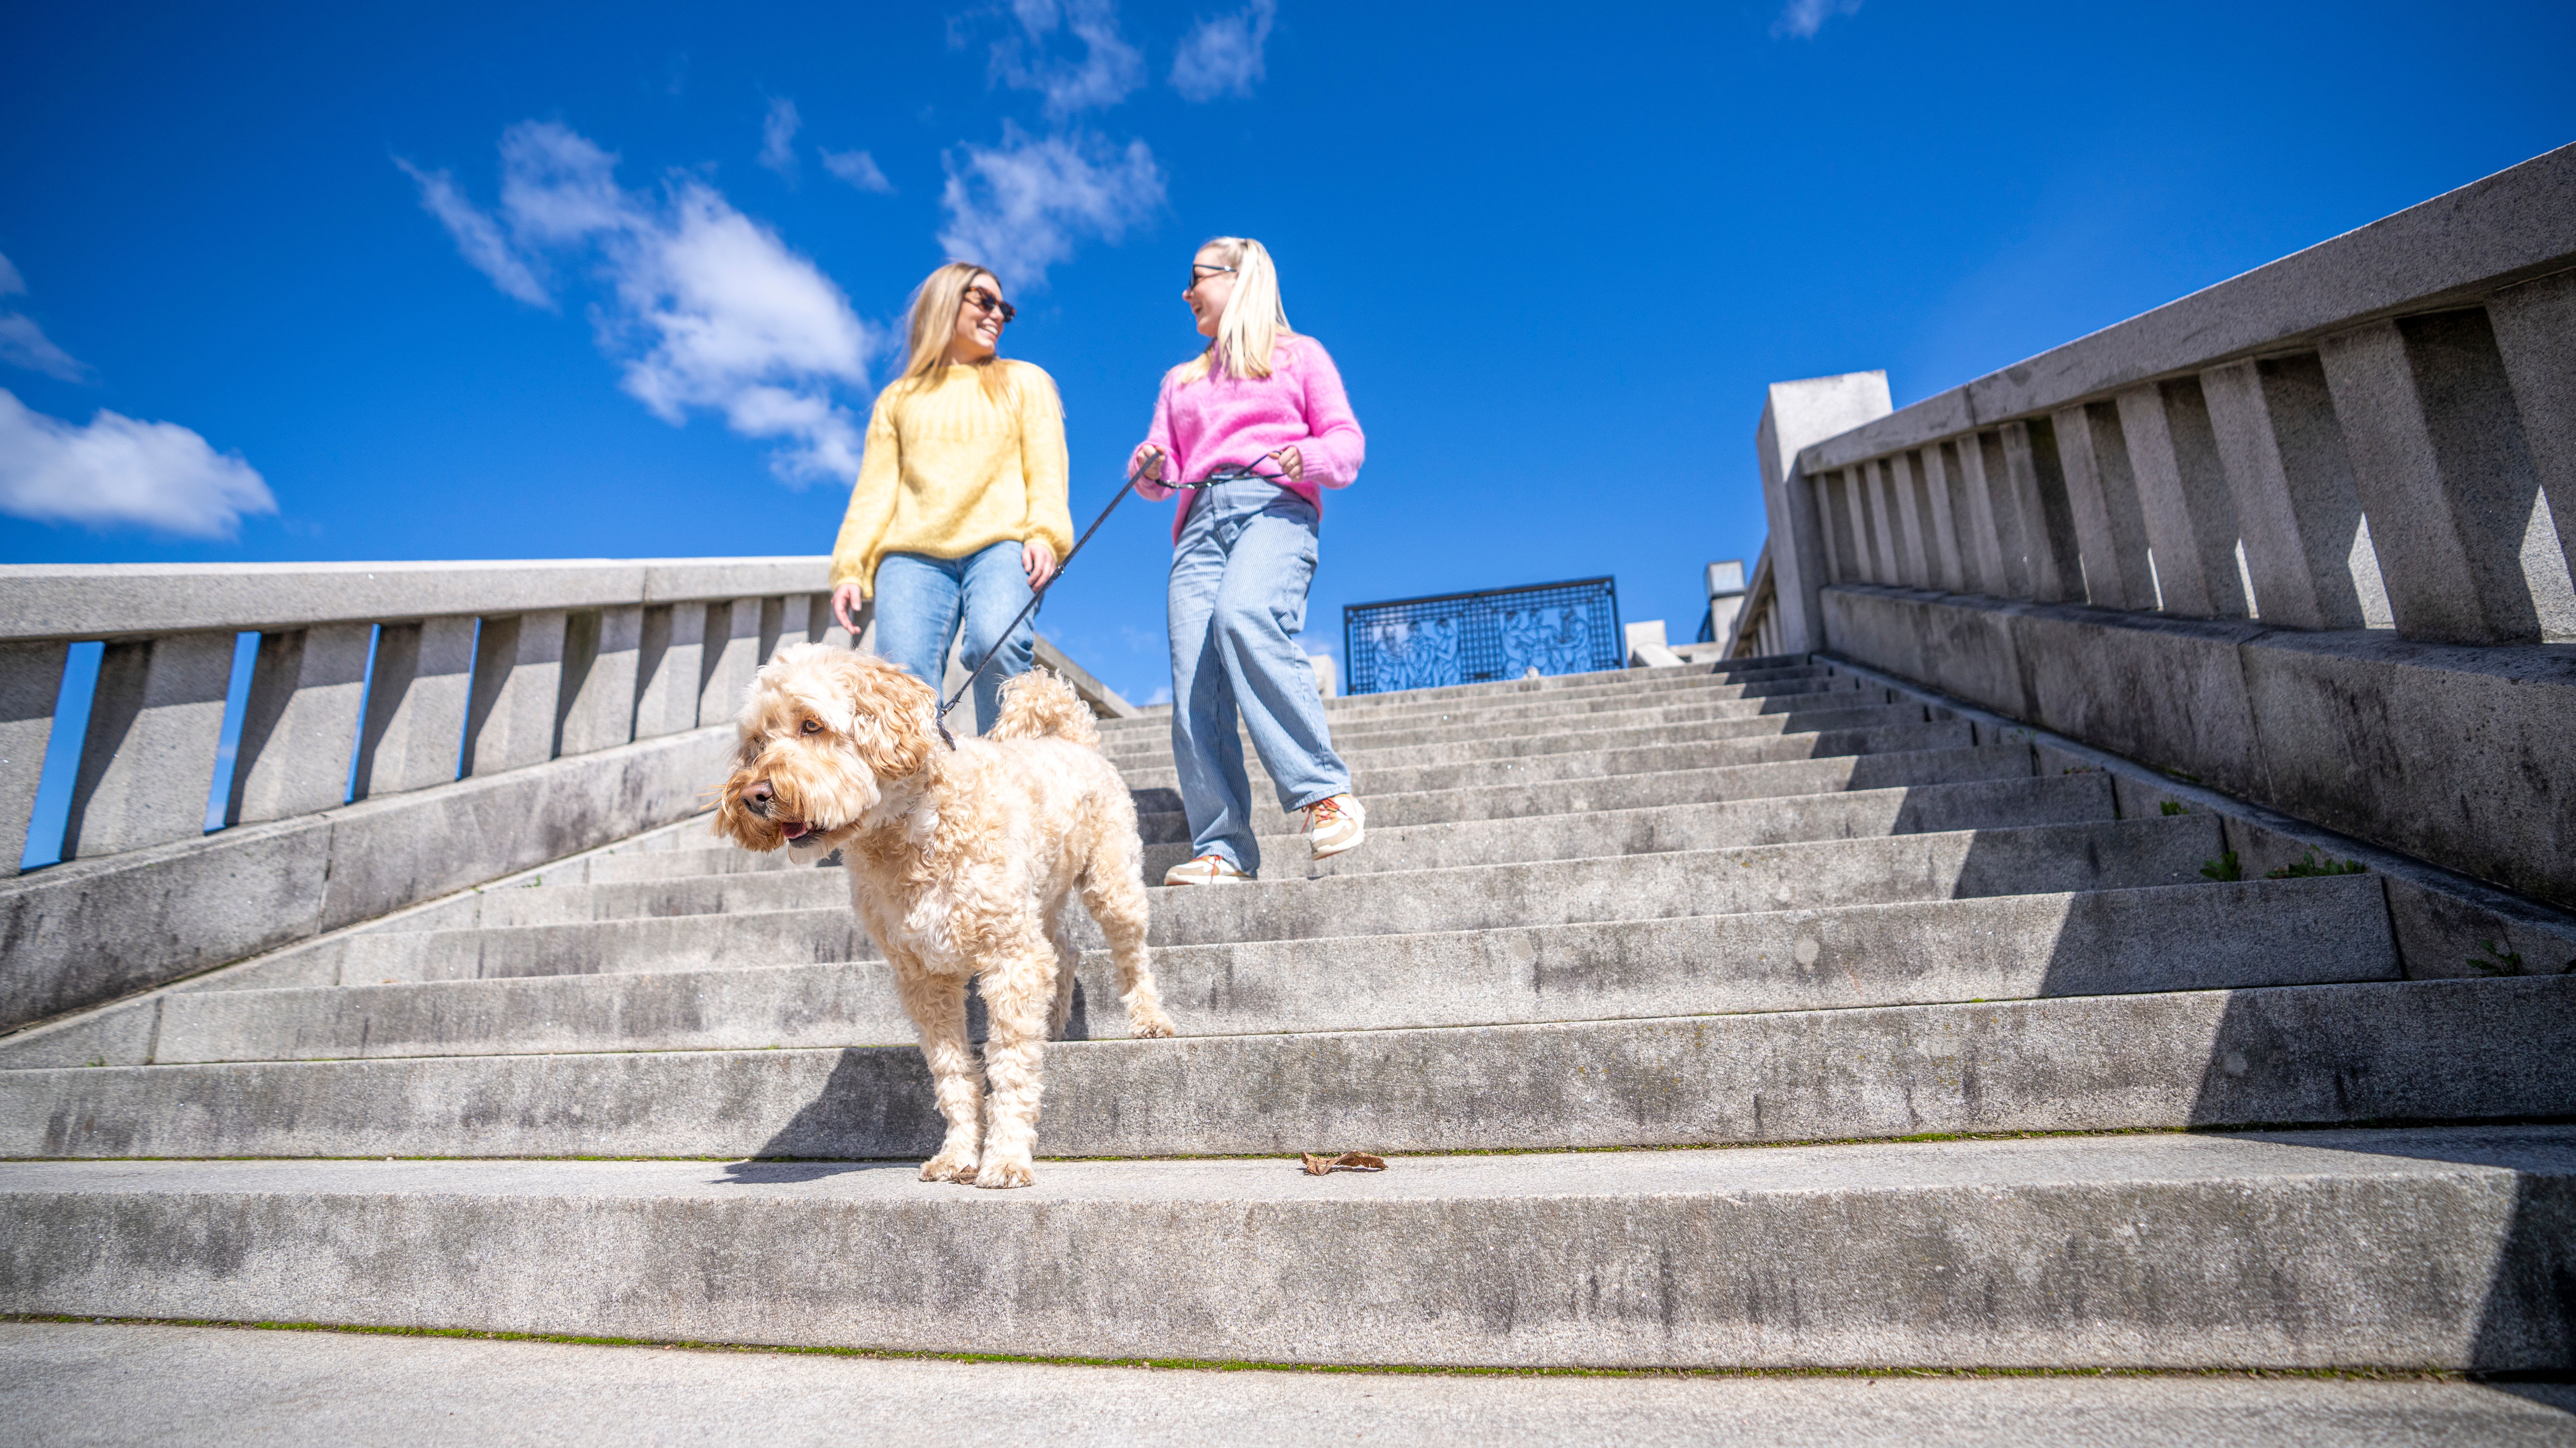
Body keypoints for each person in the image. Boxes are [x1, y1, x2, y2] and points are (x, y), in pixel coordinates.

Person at [1131, 236, 1366, 884]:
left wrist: (1311, 457)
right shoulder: (1180, 380)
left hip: (1276, 506)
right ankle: (1223, 848)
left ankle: (1323, 793)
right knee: (1192, 685)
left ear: (1238, 279)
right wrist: (1150, 467)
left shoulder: (1299, 356)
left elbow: (1345, 443)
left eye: (1196, 279)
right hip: (1199, 523)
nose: (1186, 294)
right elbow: (1162, 469)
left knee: (1246, 615)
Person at [829, 262, 1072, 734]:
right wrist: (850, 568)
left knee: (994, 644)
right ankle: (924, 800)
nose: (998, 314)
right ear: (945, 302)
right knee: (904, 681)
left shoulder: (1026, 381)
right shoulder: (898, 400)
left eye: (1006, 307)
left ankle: (1011, 783)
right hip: (912, 556)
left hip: (1001, 544)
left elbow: (1046, 466)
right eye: (985, 300)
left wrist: (1045, 534)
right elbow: (875, 492)